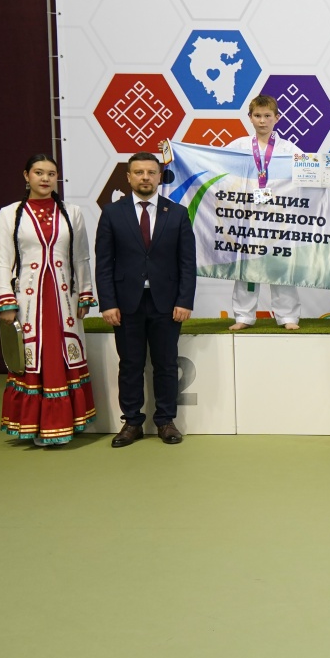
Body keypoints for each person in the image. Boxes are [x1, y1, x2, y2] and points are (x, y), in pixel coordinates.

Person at [0, 154, 97, 446]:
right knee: (33, 358)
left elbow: (81, 257)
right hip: (28, 302)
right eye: (39, 172)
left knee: (64, 354)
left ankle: (65, 423)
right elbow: (1, 261)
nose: (45, 178)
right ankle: (36, 425)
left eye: (51, 173)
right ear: (26, 176)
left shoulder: (72, 213)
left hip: (64, 299)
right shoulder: (10, 214)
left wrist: (85, 292)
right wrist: (5, 301)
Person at [94, 151, 196, 446]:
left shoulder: (177, 213)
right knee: (130, 365)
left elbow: (187, 263)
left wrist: (184, 300)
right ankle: (132, 423)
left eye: (151, 172)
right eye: (139, 172)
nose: (145, 177)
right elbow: (104, 263)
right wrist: (108, 303)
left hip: (167, 304)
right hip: (126, 304)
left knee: (166, 365)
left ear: (159, 177)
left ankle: (165, 421)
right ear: (128, 177)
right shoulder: (112, 213)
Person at [224, 94, 330, 330]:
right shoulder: (238, 147)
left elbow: (310, 171)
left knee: (281, 265)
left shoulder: (288, 149)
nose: (262, 120)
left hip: (279, 218)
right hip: (246, 217)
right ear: (250, 118)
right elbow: (213, 165)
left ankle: (288, 316)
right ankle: (243, 316)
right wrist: (177, 154)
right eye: (257, 116)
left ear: (277, 118)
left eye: (267, 116)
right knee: (245, 268)